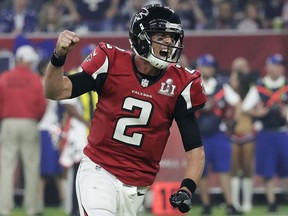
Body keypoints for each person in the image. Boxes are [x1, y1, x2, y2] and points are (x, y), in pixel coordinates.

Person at [44, 4, 207, 215]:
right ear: (140, 38)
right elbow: (55, 91)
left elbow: (195, 151)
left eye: (172, 37)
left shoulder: (181, 83)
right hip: (99, 170)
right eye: (161, 36)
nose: (169, 42)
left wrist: (187, 188)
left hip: (137, 186)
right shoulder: (110, 62)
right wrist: (58, 57)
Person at [0, 45, 46, 216]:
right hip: (30, 122)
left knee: (6, 167)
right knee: (32, 167)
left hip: (8, 122)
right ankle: (32, 208)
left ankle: (3, 209)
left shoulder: (4, 78)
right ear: (26, 60)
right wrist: (35, 120)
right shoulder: (35, 79)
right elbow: (42, 105)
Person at [195, 54, 242, 215]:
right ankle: (206, 204)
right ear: (199, 67)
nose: (207, 69)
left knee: (223, 170)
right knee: (201, 172)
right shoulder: (193, 85)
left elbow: (237, 102)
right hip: (199, 134)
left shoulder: (222, 86)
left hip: (218, 134)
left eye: (209, 66)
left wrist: (234, 122)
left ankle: (230, 204)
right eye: (204, 66)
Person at [242, 53, 288, 213]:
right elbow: (245, 108)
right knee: (267, 170)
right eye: (271, 65)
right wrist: (257, 113)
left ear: (282, 68)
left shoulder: (286, 86)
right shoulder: (259, 87)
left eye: (277, 65)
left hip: (284, 132)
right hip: (266, 133)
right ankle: (271, 202)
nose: (273, 69)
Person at [59, 44, 98, 216]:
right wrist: (86, 121)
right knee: (77, 167)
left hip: (96, 129)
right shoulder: (76, 73)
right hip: (80, 128)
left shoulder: (100, 76)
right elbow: (68, 105)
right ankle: (74, 208)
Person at [229, 57, 258, 213]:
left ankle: (247, 202)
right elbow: (232, 84)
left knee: (247, 168)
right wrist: (235, 70)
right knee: (234, 168)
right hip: (233, 133)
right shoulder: (229, 92)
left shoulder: (252, 89)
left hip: (247, 132)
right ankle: (234, 202)